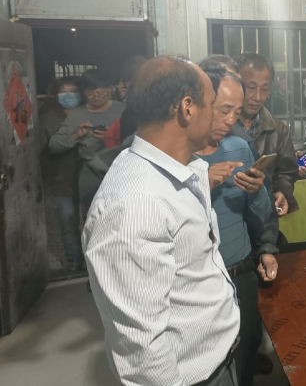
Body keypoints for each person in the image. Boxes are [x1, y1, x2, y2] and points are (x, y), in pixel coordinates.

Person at [83, 56, 240, 386]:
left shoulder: (182, 170)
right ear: (187, 108)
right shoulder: (135, 205)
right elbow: (142, 350)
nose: (220, 116)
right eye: (213, 104)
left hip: (218, 358)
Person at [196, 63, 276, 385]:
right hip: (202, 281)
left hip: (241, 272)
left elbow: (260, 212)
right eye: (224, 110)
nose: (231, 120)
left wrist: (257, 191)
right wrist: (201, 184)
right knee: (210, 364)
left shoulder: (239, 147)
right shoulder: (177, 158)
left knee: (246, 352)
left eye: (237, 112)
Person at [231, 53, 300, 216]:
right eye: (251, 88)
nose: (257, 97)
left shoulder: (278, 130)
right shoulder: (220, 127)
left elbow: (286, 173)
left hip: (264, 219)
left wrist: (281, 191)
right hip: (229, 216)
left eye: (264, 90)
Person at [39, 76, 83, 270]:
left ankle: (92, 263)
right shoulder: (48, 118)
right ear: (55, 95)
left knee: (92, 222)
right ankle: (74, 261)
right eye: (63, 92)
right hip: (61, 179)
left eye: (73, 91)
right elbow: (44, 150)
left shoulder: (89, 113)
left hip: (90, 177)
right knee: (68, 224)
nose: (69, 95)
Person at [49, 68, 125, 161]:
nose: (95, 97)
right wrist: (75, 135)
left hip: (122, 162)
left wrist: (112, 137)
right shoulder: (77, 114)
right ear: (84, 92)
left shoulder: (124, 110)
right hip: (89, 164)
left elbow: (138, 138)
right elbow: (54, 145)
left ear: (110, 89)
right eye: (90, 93)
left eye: (100, 93)